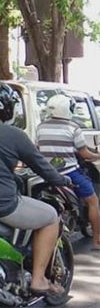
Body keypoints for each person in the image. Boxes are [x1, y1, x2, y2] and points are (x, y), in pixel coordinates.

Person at [0, 81, 71, 298]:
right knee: (51, 217)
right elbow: (42, 167)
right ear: (6, 107)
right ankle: (38, 279)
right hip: (0, 205)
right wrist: (63, 179)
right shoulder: (15, 135)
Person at [37, 94, 100, 249]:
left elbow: (38, 149)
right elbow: (84, 154)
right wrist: (97, 155)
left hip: (46, 174)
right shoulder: (73, 128)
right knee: (93, 201)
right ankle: (98, 239)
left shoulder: (40, 127)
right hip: (69, 173)